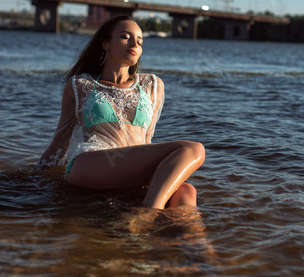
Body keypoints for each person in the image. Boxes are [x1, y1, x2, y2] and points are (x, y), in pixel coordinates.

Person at [37, 15, 205, 209]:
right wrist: (33, 178)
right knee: (194, 149)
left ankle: (190, 238)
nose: (135, 43)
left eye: (140, 41)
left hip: (128, 169)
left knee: (186, 191)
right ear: (106, 43)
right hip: (92, 164)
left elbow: (146, 140)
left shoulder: (152, 85)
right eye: (126, 37)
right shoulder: (80, 84)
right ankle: (149, 212)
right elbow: (60, 142)